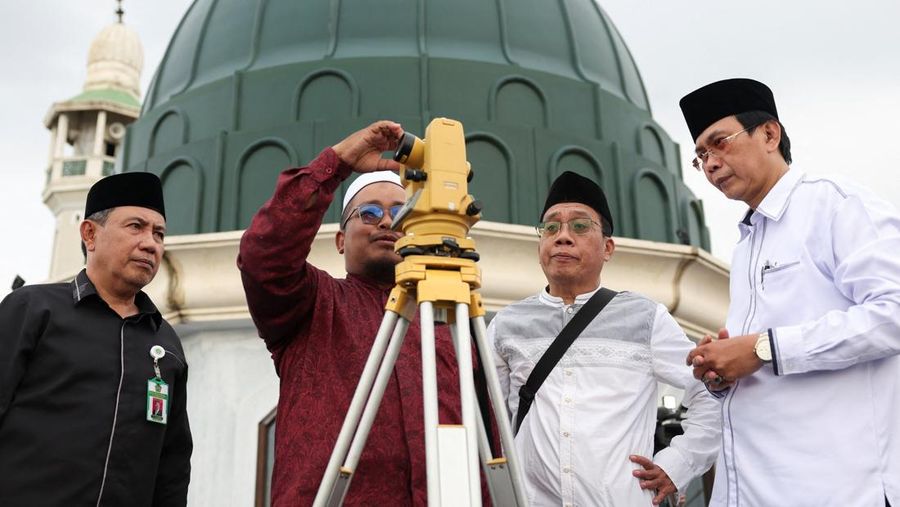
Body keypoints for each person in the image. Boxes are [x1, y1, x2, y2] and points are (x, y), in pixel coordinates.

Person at [238, 120, 484, 506]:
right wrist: (338, 162)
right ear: (340, 240)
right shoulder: (312, 304)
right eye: (369, 213)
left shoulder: (450, 317)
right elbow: (264, 256)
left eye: (401, 212)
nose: (387, 222)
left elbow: (485, 439)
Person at [680, 78, 900, 506]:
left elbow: (894, 313)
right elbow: (764, 362)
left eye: (719, 142)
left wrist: (763, 348)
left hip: (839, 490)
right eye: (700, 155)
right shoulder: (745, 244)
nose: (709, 163)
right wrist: (724, 365)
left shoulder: (835, 205)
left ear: (769, 134)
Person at [488, 171, 720, 506]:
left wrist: (677, 464)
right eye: (551, 227)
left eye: (580, 226)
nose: (563, 237)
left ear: (608, 247)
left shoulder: (645, 318)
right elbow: (484, 418)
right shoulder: (506, 324)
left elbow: (710, 393)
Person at [0, 172, 192, 506]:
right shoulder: (33, 310)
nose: (151, 243)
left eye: (159, 233)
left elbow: (172, 465)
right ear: (90, 233)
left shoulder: (165, 345)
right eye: (136, 226)